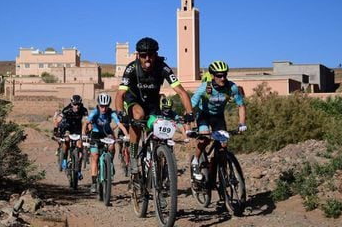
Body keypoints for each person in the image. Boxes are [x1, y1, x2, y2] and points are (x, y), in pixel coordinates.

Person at [115, 37, 194, 180]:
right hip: (134, 100)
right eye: (143, 55)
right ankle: (133, 157)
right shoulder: (131, 68)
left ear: (155, 55)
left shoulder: (163, 67)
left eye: (150, 55)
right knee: (138, 116)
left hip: (152, 104)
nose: (147, 58)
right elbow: (120, 94)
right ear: (138, 55)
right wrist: (120, 113)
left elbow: (181, 92)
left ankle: (159, 162)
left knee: (159, 130)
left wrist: (190, 113)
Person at [190, 60, 247, 181]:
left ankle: (219, 170)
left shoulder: (232, 87)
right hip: (204, 115)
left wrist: (242, 123)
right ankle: (195, 162)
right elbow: (192, 105)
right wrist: (187, 120)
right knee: (205, 138)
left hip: (218, 117)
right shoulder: (205, 88)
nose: (223, 78)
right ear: (212, 76)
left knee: (223, 144)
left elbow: (241, 105)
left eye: (225, 75)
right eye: (219, 76)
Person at [82, 92, 129, 193]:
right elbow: (86, 123)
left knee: (112, 146)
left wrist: (127, 135)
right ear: (98, 105)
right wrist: (83, 135)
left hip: (106, 133)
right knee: (95, 156)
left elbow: (119, 124)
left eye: (106, 106)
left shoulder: (111, 113)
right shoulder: (95, 112)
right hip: (95, 134)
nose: (103, 109)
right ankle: (94, 183)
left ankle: (109, 162)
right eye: (102, 106)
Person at [54, 95, 89, 179]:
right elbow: (58, 119)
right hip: (68, 128)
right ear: (71, 103)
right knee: (66, 139)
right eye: (74, 104)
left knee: (80, 146)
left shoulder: (84, 110)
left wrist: (89, 131)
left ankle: (79, 170)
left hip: (78, 129)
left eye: (78, 104)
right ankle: (65, 160)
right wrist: (56, 129)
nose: (76, 106)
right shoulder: (66, 109)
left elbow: (87, 121)